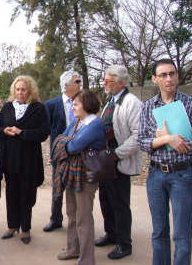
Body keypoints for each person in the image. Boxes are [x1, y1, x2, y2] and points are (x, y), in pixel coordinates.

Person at [137, 59, 192, 265]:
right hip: (156, 175)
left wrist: (173, 140)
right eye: (163, 75)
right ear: (155, 79)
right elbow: (143, 141)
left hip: (183, 175)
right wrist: (167, 139)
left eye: (172, 74)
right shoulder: (148, 107)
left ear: (177, 76)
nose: (169, 78)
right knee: (159, 232)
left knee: (182, 236)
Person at [0, 76, 50, 244]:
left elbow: (43, 133)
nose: (20, 92)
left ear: (30, 91)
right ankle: (12, 226)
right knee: (11, 194)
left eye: (23, 89)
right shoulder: (7, 107)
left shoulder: (38, 108)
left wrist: (22, 132)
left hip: (28, 160)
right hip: (9, 159)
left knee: (25, 194)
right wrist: (5, 131)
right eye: (17, 89)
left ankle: (25, 229)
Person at [95, 65, 143, 260]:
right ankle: (112, 234)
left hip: (118, 161)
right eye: (104, 79)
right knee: (105, 199)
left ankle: (125, 244)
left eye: (108, 80)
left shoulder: (132, 103)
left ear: (121, 83)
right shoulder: (111, 101)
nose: (104, 83)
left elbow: (138, 135)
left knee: (120, 204)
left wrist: (117, 154)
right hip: (106, 159)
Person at [55, 90, 105, 264]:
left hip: (85, 174)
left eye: (76, 104)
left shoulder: (96, 124)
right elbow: (61, 139)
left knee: (83, 217)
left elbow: (73, 145)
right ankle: (73, 249)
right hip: (72, 172)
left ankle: (87, 259)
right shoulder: (78, 122)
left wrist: (66, 143)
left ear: (87, 105)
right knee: (72, 213)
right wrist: (66, 142)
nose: (73, 107)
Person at [43, 70, 82, 232]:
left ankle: (79, 221)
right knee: (57, 186)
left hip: (80, 152)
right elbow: (48, 129)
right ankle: (56, 219)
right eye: (77, 82)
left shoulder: (83, 102)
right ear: (67, 85)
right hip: (60, 154)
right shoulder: (51, 105)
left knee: (79, 187)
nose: (81, 84)